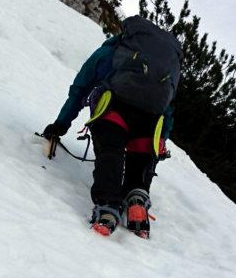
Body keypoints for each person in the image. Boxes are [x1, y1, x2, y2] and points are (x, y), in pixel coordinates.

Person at [42, 15, 182, 238]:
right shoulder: (164, 69)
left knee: (111, 150)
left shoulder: (111, 52)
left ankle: (108, 209)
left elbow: (80, 90)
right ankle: (137, 201)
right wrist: (160, 142)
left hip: (114, 111)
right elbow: (167, 110)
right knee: (139, 160)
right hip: (150, 122)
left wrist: (60, 125)